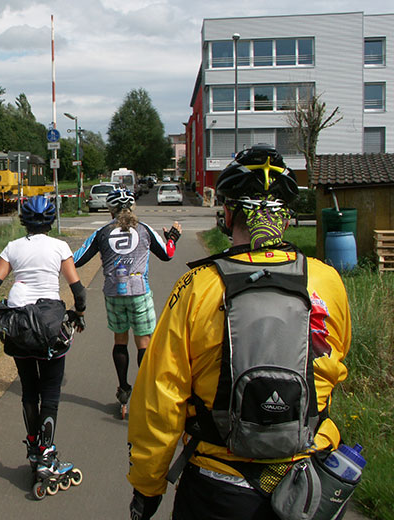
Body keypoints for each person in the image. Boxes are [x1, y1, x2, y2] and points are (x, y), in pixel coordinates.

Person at [126, 144, 352, 519]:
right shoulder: (326, 282)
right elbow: (335, 363)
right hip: (309, 484)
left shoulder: (197, 286)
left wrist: (147, 486)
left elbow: (160, 397)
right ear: (287, 217)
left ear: (228, 214)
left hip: (218, 485)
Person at [0, 195, 87, 488]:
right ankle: (47, 455)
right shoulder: (60, 247)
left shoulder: (13, 248)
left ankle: (32, 448)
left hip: (17, 327)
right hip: (49, 327)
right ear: (51, 221)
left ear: (24, 221)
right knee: (51, 393)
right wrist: (78, 315)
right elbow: (79, 292)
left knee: (29, 389)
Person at [72, 188, 181, 418]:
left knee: (120, 340)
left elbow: (77, 260)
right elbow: (167, 254)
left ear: (110, 210)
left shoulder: (102, 232)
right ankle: (149, 393)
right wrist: (172, 237)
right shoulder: (145, 229)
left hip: (113, 292)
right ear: (132, 208)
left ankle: (123, 390)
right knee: (143, 343)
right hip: (139, 291)